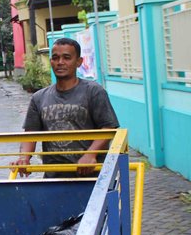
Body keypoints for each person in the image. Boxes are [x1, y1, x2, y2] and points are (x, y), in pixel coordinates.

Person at [11, 37, 119, 178]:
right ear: (51, 62)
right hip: (54, 179)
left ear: (78, 62)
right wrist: (24, 158)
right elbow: (30, 134)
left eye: (66, 57)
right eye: (55, 58)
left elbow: (108, 127)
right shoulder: (39, 98)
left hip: (92, 178)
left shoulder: (93, 92)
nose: (60, 62)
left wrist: (90, 154)